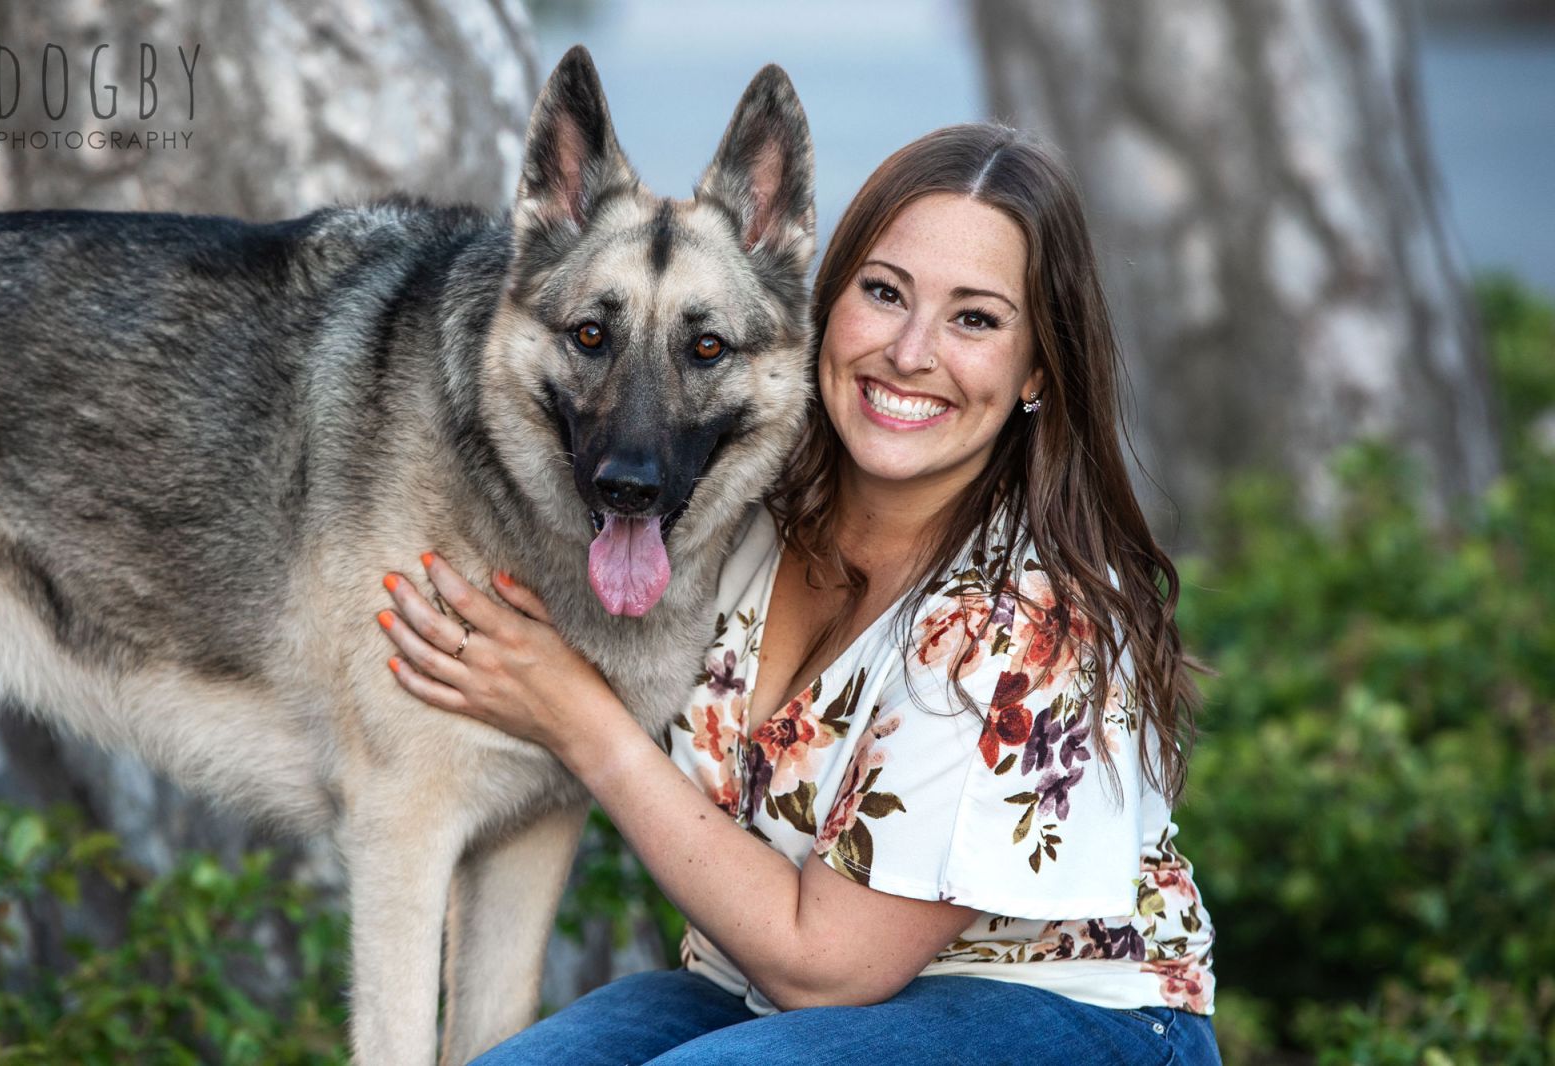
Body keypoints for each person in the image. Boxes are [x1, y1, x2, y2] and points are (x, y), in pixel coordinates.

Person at [376, 123, 1222, 1065]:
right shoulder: (735, 510)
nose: (910, 352)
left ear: (1035, 368)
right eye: (884, 293)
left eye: (974, 319)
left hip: (1060, 1014)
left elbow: (828, 967)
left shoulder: (1026, 621)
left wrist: (575, 715)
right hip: (750, 995)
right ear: (821, 301)